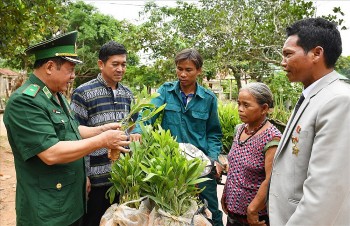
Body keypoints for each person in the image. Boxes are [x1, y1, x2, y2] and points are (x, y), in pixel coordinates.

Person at [3, 31, 130, 226]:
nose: (73, 76)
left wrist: (101, 130)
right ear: (50, 67)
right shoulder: (25, 102)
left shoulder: (56, 95)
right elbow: (50, 153)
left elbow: (71, 131)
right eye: (70, 70)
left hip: (70, 201)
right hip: (48, 209)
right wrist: (103, 141)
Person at [268, 18, 350, 225]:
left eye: (288, 54)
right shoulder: (314, 94)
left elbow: (325, 191)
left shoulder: (338, 100)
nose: (282, 62)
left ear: (316, 53)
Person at [131, 48, 224, 226]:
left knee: (211, 211)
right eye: (179, 69)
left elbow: (213, 132)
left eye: (188, 70)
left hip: (200, 166)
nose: (182, 74)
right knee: (169, 212)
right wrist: (138, 131)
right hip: (170, 164)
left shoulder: (208, 98)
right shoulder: (166, 91)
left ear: (199, 71)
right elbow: (148, 113)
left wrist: (214, 159)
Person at [70, 40, 137, 226]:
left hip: (122, 178)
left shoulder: (128, 94)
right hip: (96, 179)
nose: (120, 69)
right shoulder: (83, 93)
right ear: (101, 64)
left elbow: (134, 125)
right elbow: (74, 133)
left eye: (124, 64)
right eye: (115, 64)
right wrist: (84, 175)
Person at [221, 83, 282, 226]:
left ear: (264, 108)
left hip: (254, 218)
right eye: (239, 104)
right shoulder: (240, 129)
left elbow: (271, 179)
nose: (240, 109)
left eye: (246, 105)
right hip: (233, 213)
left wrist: (252, 210)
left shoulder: (272, 138)